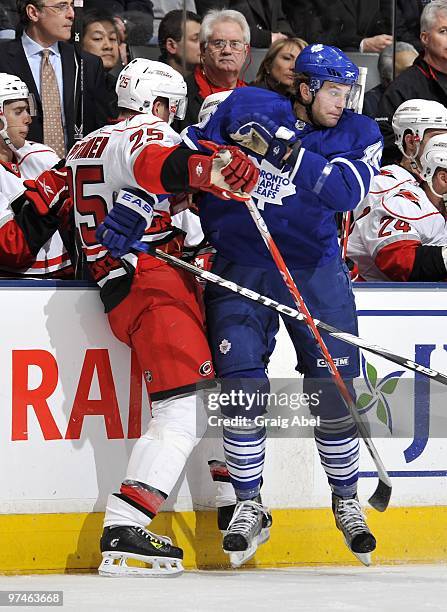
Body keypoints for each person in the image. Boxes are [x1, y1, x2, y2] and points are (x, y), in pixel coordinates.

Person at [183, 44, 383, 567]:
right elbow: (186, 156)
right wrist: (214, 165)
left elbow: (345, 191)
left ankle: (345, 499)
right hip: (242, 264)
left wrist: (286, 152)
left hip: (316, 273)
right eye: (334, 92)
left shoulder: (360, 132)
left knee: (332, 389)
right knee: (241, 383)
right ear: (306, 87)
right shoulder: (244, 104)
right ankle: (249, 504)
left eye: (348, 92)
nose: (343, 102)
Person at [65, 57, 259, 576]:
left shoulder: (84, 144)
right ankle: (126, 526)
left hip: (127, 283)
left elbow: (136, 188)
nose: (173, 119)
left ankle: (227, 498)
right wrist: (206, 171)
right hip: (150, 284)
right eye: (171, 108)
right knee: (184, 410)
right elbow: (159, 163)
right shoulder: (145, 132)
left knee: (211, 392)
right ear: (156, 104)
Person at [0, 1, 116, 157]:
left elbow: (100, 127)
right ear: (33, 13)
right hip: (16, 171)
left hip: (73, 172)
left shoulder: (88, 64)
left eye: (71, 6)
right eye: (61, 7)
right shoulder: (2, 59)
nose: (71, 14)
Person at [348, 99, 447, 282]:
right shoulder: (382, 185)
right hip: (385, 297)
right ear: (410, 141)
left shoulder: (432, 185)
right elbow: (399, 262)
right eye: (437, 137)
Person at [0, 72, 73, 278]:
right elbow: (10, 248)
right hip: (18, 291)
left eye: (27, 109)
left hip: (67, 282)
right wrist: (46, 199)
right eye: (18, 111)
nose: (28, 119)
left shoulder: (41, 154)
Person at [378, 0, 447, 164]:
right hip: (423, 179)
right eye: (443, 31)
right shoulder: (403, 87)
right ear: (425, 38)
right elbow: (383, 137)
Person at [173, 8, 250, 131]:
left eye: (235, 44)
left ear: (246, 52)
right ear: (203, 51)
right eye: (218, 43)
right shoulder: (181, 94)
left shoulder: (256, 97)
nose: (227, 51)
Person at [283, 0, 393, 53]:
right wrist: (362, 44)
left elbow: (388, 25)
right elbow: (311, 39)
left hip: (377, 62)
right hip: (328, 63)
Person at [363, 42, 418, 119]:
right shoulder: (369, 104)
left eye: (417, 69)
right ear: (387, 79)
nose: (416, 75)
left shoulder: (429, 93)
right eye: (408, 72)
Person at [226, 0, 292, 48]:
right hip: (250, 52)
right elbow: (234, 28)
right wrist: (269, 38)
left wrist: (284, 35)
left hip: (273, 49)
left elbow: (279, 18)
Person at [158, 9, 201, 77]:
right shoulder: (153, 82)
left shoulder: (212, 77)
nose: (205, 44)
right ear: (171, 46)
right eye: (195, 39)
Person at [81, 9, 121, 76]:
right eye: (98, 38)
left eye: (112, 38)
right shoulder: (67, 83)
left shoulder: (119, 85)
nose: (108, 46)